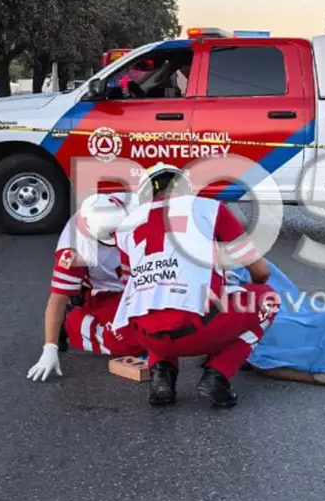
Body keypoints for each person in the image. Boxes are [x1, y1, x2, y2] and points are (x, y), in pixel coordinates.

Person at [113, 164, 280, 408]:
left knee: (157, 298)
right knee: (269, 299)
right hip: (200, 329)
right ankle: (218, 374)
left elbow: (133, 287)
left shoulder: (126, 227)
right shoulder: (209, 209)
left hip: (146, 336)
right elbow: (261, 271)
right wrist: (249, 292)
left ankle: (161, 376)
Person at [26, 193, 147, 382]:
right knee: (130, 343)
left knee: (173, 327)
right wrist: (50, 348)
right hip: (108, 291)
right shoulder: (74, 250)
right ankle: (72, 323)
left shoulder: (137, 208)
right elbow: (58, 297)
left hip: (146, 283)